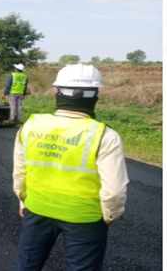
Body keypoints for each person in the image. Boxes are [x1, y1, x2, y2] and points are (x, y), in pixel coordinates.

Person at [14, 64, 129, 271]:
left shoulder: (30, 126)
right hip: (85, 217)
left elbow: (20, 172)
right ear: (95, 95)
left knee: (27, 265)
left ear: (57, 92)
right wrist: (109, 215)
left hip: (37, 209)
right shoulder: (105, 135)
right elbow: (114, 190)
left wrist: (23, 200)